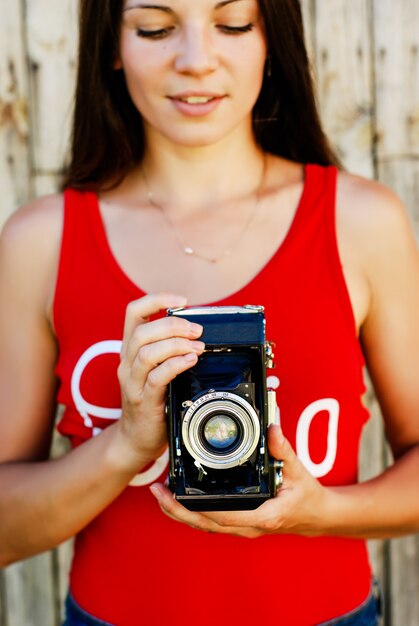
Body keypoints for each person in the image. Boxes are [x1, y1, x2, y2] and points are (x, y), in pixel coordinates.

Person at [0, 0, 418, 624]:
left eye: (232, 23)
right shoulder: (41, 241)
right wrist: (124, 447)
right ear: (111, 47)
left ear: (271, 39)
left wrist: (316, 512)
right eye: (156, 28)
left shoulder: (360, 222)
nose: (197, 61)